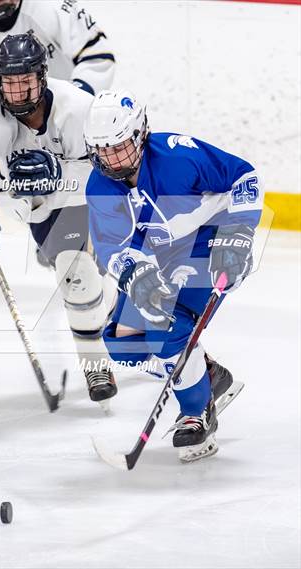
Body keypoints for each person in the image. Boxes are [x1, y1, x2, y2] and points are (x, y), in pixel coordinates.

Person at [0, 32, 118, 405]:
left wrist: (59, 171)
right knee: (80, 279)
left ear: (42, 77)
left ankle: (94, 361)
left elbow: (109, 172)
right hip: (37, 209)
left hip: (85, 201)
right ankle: (114, 305)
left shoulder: (79, 108)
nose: (16, 93)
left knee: (74, 271)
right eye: (8, 84)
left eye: (25, 82)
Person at [83, 90, 264, 462]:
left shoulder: (178, 156)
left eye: (119, 147)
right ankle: (207, 374)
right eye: (102, 150)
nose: (111, 159)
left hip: (210, 247)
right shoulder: (99, 187)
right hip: (160, 258)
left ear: (140, 134)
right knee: (123, 343)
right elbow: (111, 249)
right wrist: (137, 276)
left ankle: (198, 411)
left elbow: (245, 177)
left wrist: (239, 233)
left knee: (166, 329)